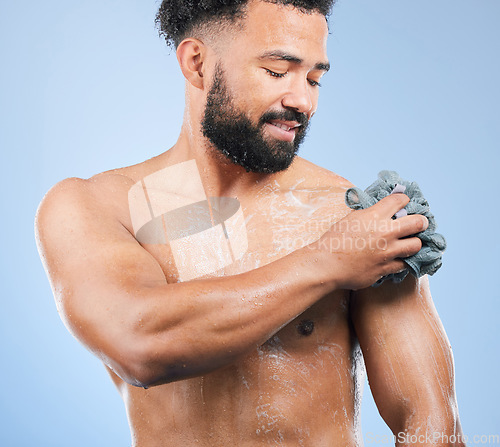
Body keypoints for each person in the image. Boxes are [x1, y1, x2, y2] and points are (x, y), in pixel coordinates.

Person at [34, 0, 464, 445]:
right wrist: (327, 262)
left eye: (315, 78)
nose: (303, 101)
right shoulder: (98, 207)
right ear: (196, 63)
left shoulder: (358, 218)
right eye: (277, 71)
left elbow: (433, 426)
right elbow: (140, 344)